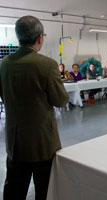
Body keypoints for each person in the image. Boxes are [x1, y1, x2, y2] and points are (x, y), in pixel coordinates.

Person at [0, 16, 69, 200]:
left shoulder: (4, 65)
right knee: (45, 190)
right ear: (40, 38)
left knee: (14, 189)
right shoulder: (47, 65)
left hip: (16, 142)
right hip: (42, 142)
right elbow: (61, 101)